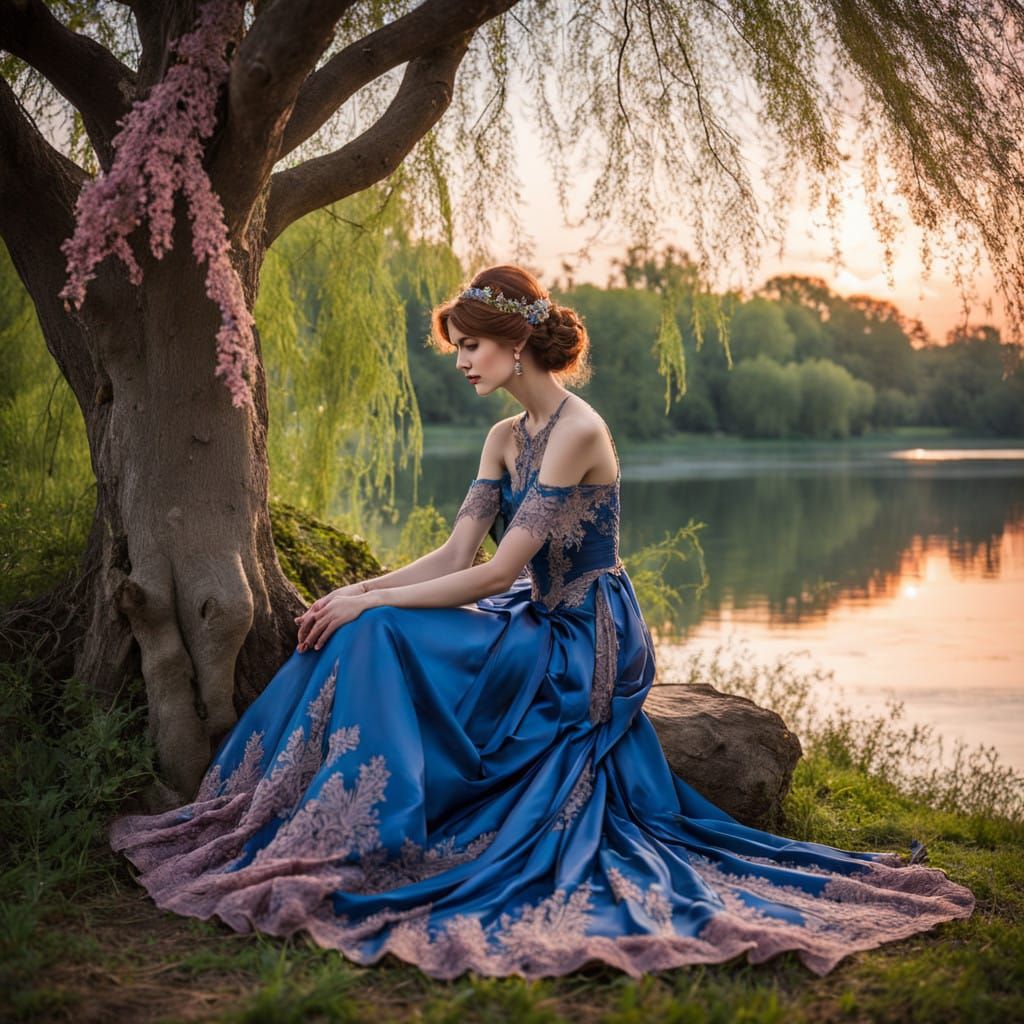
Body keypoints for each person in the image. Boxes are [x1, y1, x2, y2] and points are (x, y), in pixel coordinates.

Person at [110, 265, 973, 979]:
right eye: (459, 348)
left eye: (472, 346)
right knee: (350, 625)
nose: (461, 361)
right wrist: (357, 589)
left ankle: (374, 831)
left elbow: (495, 569)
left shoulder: (576, 431)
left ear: (517, 343)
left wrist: (370, 604)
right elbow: (453, 558)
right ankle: (308, 818)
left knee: (374, 626)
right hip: (527, 612)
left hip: (586, 635)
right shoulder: (504, 433)